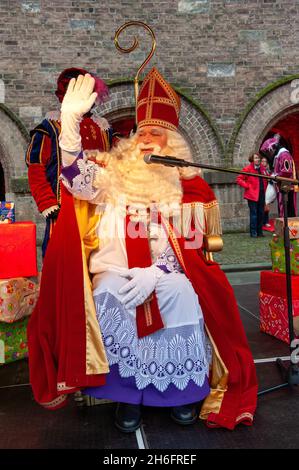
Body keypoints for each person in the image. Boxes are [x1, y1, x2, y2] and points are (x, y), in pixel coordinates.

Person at [28, 69, 257, 432]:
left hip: (168, 272)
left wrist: (158, 272)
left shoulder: (190, 186)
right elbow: (74, 177)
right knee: (107, 294)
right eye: (142, 132)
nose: (147, 139)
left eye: (157, 133)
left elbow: (193, 245)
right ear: (131, 141)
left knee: (181, 294)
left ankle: (179, 396)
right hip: (115, 270)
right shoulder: (111, 173)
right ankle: (126, 398)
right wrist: (70, 122)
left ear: (174, 145)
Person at [25, 67, 111, 257]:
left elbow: (117, 155)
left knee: (101, 259)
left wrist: (133, 137)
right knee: (66, 257)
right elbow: (36, 168)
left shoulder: (103, 127)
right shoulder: (49, 128)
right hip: (65, 205)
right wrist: (47, 202)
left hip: (100, 206)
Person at [260, 134, 297, 218]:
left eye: (269, 152)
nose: (269, 154)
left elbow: (286, 172)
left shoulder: (284, 155)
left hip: (287, 187)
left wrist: (275, 176)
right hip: (282, 186)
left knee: (288, 211)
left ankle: (289, 230)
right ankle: (284, 229)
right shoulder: (279, 156)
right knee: (283, 210)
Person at [236, 153, 268, 237]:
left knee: (261, 213)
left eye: (259, 158)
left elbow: (266, 178)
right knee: (254, 214)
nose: (258, 159)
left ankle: (260, 232)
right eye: (256, 158)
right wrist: (247, 186)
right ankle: (253, 233)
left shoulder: (262, 168)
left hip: (261, 194)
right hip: (252, 195)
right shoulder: (248, 168)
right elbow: (239, 179)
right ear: (252, 159)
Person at [260, 156, 272, 229]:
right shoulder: (260, 170)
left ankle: (266, 221)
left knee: (267, 207)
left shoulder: (267, 170)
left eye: (265, 161)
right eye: (262, 161)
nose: (263, 163)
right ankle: (262, 222)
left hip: (267, 190)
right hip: (262, 190)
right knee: (261, 207)